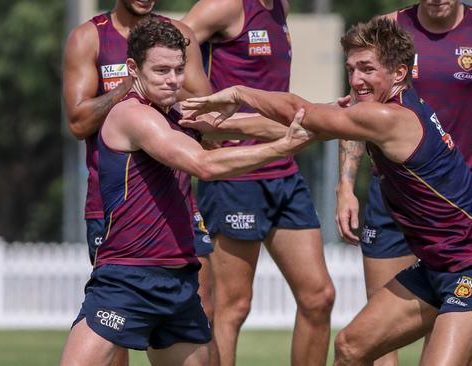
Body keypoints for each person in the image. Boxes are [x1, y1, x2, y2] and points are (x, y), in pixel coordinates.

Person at [184, 17, 472, 366]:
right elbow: (297, 125)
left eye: (367, 68)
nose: (357, 79)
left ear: (399, 73)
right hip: (438, 266)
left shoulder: (390, 118)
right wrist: (207, 127)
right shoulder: (373, 111)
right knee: (350, 347)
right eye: (351, 69)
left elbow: (298, 111)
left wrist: (239, 92)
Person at [59, 17, 314, 366]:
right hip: (128, 279)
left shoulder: (178, 111)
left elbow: (245, 124)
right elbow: (204, 165)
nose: (173, 81)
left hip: (178, 282)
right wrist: (283, 147)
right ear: (133, 69)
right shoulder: (133, 115)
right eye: (161, 70)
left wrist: (328, 122)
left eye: (178, 70)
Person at [335, 1, 472, 364]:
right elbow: (355, 113)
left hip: (458, 205)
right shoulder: (385, 30)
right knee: (373, 338)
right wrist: (346, 186)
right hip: (392, 198)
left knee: (465, 312)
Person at [180, 1, 335, 365]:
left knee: (319, 296)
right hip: (237, 176)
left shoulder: (280, 7)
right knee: (232, 307)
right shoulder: (229, 5)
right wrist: (206, 108)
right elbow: (179, 36)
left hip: (284, 171)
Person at [62, 2, 213, 364]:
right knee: (116, 328)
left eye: (175, 69)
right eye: (162, 69)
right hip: (114, 204)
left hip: (177, 198)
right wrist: (130, 89)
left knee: (203, 308)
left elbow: (207, 111)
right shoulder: (88, 37)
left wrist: (162, 85)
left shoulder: (177, 37)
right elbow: (79, 123)